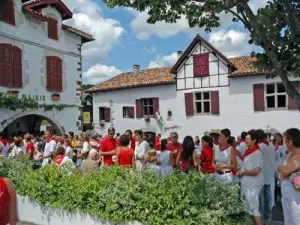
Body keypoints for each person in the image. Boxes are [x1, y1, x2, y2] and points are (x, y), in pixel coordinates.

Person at [237, 129, 264, 225]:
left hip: (253, 184)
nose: (246, 141)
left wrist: (243, 173)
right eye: (245, 139)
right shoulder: (248, 151)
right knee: (248, 208)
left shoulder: (257, 153)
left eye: (248, 139)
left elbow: (257, 170)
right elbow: (246, 166)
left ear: (254, 140)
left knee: (254, 208)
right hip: (246, 183)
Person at [278, 128, 300, 225]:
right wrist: (287, 173)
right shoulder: (289, 154)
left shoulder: (298, 155)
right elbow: (280, 172)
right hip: (286, 195)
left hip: (296, 197)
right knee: (288, 222)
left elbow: (283, 170)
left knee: (296, 221)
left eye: (285, 142)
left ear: (290, 142)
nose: (284, 144)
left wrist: (285, 172)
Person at [256, 129, 275, 222]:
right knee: (268, 195)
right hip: (269, 173)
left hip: (261, 174)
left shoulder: (259, 146)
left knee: (261, 198)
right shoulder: (271, 145)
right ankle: (268, 215)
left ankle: (261, 217)